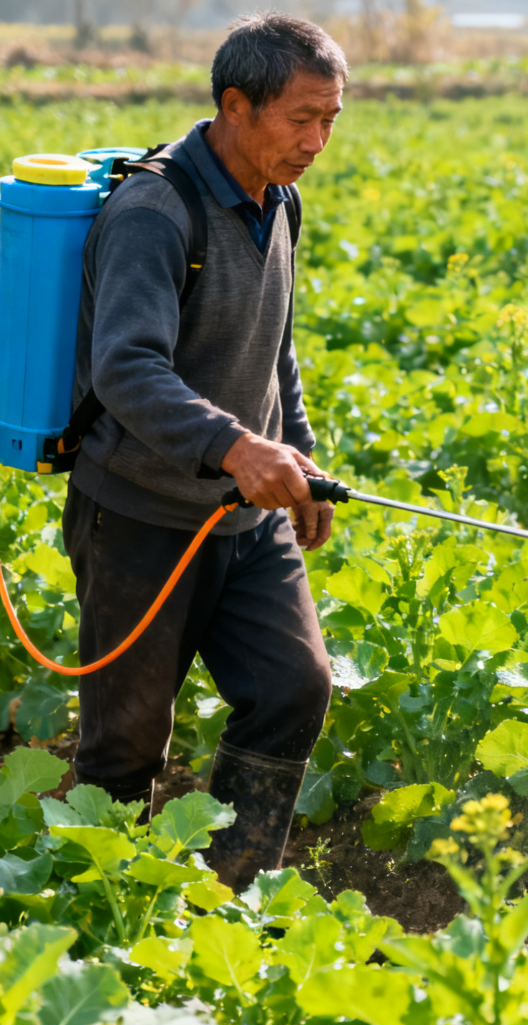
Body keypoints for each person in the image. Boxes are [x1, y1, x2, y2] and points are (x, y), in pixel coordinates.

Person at [64, 13, 348, 888]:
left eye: (331, 118)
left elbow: (275, 348)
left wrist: (295, 461)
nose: (316, 139)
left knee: (294, 687)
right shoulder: (157, 210)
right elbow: (126, 368)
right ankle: (98, 924)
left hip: (245, 520)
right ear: (235, 103)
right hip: (140, 515)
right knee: (124, 752)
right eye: (300, 117)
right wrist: (234, 448)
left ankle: (225, 894)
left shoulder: (280, 199)